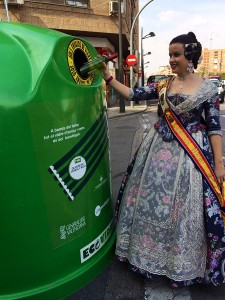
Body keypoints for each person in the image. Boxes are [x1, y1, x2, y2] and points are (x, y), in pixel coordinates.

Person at [101, 31, 225, 288]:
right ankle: (147, 255)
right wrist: (108, 77)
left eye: (176, 54)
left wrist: (219, 163)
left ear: (190, 55)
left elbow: (214, 127)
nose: (171, 59)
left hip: (191, 157)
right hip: (156, 153)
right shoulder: (163, 85)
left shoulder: (208, 88)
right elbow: (133, 94)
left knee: (185, 207)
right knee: (150, 203)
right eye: (170, 54)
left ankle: (182, 261)